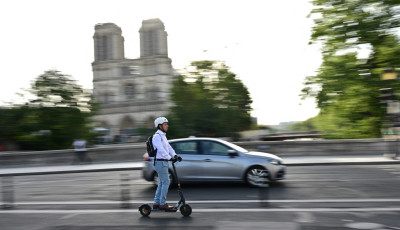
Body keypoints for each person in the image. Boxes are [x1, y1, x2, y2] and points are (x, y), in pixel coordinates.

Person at [152, 117, 182, 210]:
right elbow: (161, 150)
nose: (167, 126)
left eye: (167, 124)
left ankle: (156, 203)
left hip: (163, 162)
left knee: (162, 183)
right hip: (160, 162)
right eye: (165, 124)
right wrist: (170, 158)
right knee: (166, 182)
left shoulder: (163, 136)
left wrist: (175, 155)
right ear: (160, 126)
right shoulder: (157, 136)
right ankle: (162, 204)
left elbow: (168, 147)